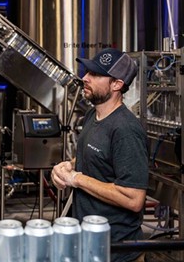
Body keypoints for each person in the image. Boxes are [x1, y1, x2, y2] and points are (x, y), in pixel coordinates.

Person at [51, 48, 149, 262]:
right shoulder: (91, 116)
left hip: (116, 250)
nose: (85, 78)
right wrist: (67, 167)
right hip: (88, 243)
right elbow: (98, 159)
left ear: (117, 84)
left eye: (95, 74)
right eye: (87, 72)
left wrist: (77, 179)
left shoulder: (125, 130)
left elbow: (134, 199)